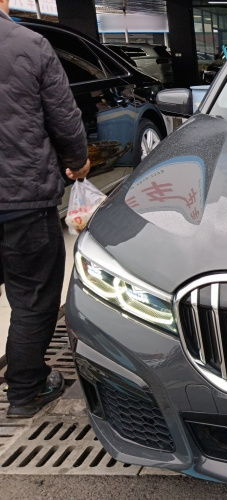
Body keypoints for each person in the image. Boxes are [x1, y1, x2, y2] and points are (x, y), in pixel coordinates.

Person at [0, 0, 90, 418]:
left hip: (21, 197)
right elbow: (64, 117)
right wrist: (78, 161)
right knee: (33, 298)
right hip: (22, 200)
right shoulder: (29, 44)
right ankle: (26, 391)